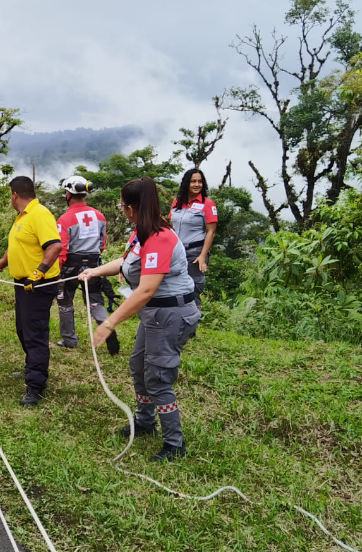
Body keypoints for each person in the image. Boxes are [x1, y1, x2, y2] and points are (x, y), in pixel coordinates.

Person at [79, 176, 200, 462]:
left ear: (132, 207)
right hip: (154, 315)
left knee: (158, 377)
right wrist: (94, 272)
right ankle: (144, 422)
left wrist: (109, 323)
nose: (121, 208)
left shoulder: (160, 237)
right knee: (138, 366)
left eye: (122, 204)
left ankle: (174, 443)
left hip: (170, 315)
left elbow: (146, 290)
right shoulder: (142, 232)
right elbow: (126, 263)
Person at [0, 176, 62, 405]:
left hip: (38, 285)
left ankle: (35, 385)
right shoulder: (22, 217)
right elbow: (15, 248)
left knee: (35, 333)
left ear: (14, 194)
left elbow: (55, 246)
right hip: (23, 285)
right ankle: (32, 367)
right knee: (23, 329)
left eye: (10, 194)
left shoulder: (40, 214)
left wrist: (37, 273)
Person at [54, 176, 119, 354]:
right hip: (93, 264)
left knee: (64, 300)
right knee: (95, 301)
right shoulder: (99, 216)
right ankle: (107, 327)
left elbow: (61, 248)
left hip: (70, 265)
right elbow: (102, 244)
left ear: (68, 194)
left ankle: (69, 339)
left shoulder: (65, 219)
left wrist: (57, 271)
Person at [169, 168, 217, 305]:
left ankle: (192, 320)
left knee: (192, 289)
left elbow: (211, 231)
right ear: (186, 183)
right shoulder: (176, 202)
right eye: (193, 181)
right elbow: (172, 225)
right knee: (174, 285)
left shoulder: (207, 204)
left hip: (194, 252)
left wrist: (202, 256)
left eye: (200, 181)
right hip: (176, 251)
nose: (197, 185)